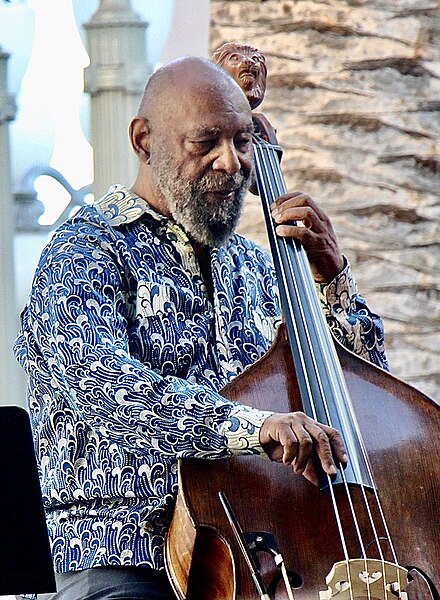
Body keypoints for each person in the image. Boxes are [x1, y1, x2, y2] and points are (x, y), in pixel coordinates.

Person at [13, 56, 388, 599]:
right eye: (205, 142)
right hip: (126, 556)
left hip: (257, 557)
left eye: (242, 142)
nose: (230, 163)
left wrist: (332, 278)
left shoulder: (260, 267)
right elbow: (107, 393)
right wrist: (256, 427)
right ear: (145, 141)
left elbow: (368, 392)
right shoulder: (84, 251)